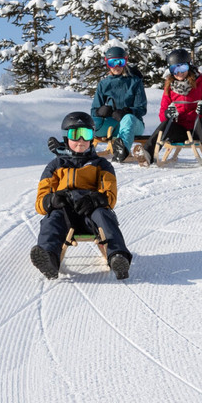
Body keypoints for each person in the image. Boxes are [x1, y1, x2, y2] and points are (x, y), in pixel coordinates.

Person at [32, 111, 132, 280]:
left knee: (104, 215)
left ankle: (118, 256)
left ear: (92, 137)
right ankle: (49, 257)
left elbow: (110, 196)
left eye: (86, 134)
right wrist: (53, 200)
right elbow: (40, 202)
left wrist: (95, 199)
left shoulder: (102, 164)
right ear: (66, 138)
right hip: (65, 213)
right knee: (52, 218)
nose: (80, 141)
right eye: (75, 134)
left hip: (91, 214)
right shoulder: (55, 165)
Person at [140, 48, 202, 166]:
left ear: (189, 66)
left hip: (199, 128)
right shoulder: (169, 87)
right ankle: (147, 153)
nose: (179, 72)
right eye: (174, 69)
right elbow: (162, 114)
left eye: (182, 68)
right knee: (166, 124)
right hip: (180, 129)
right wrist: (167, 114)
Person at [91, 45, 147, 162]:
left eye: (120, 62)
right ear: (108, 64)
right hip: (112, 125)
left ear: (125, 62)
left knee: (128, 119)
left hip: (133, 125)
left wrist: (127, 111)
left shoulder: (135, 81)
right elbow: (93, 111)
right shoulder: (103, 84)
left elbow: (142, 109)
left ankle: (123, 151)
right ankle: (74, 148)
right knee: (91, 123)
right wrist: (100, 111)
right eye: (113, 62)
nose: (116, 66)